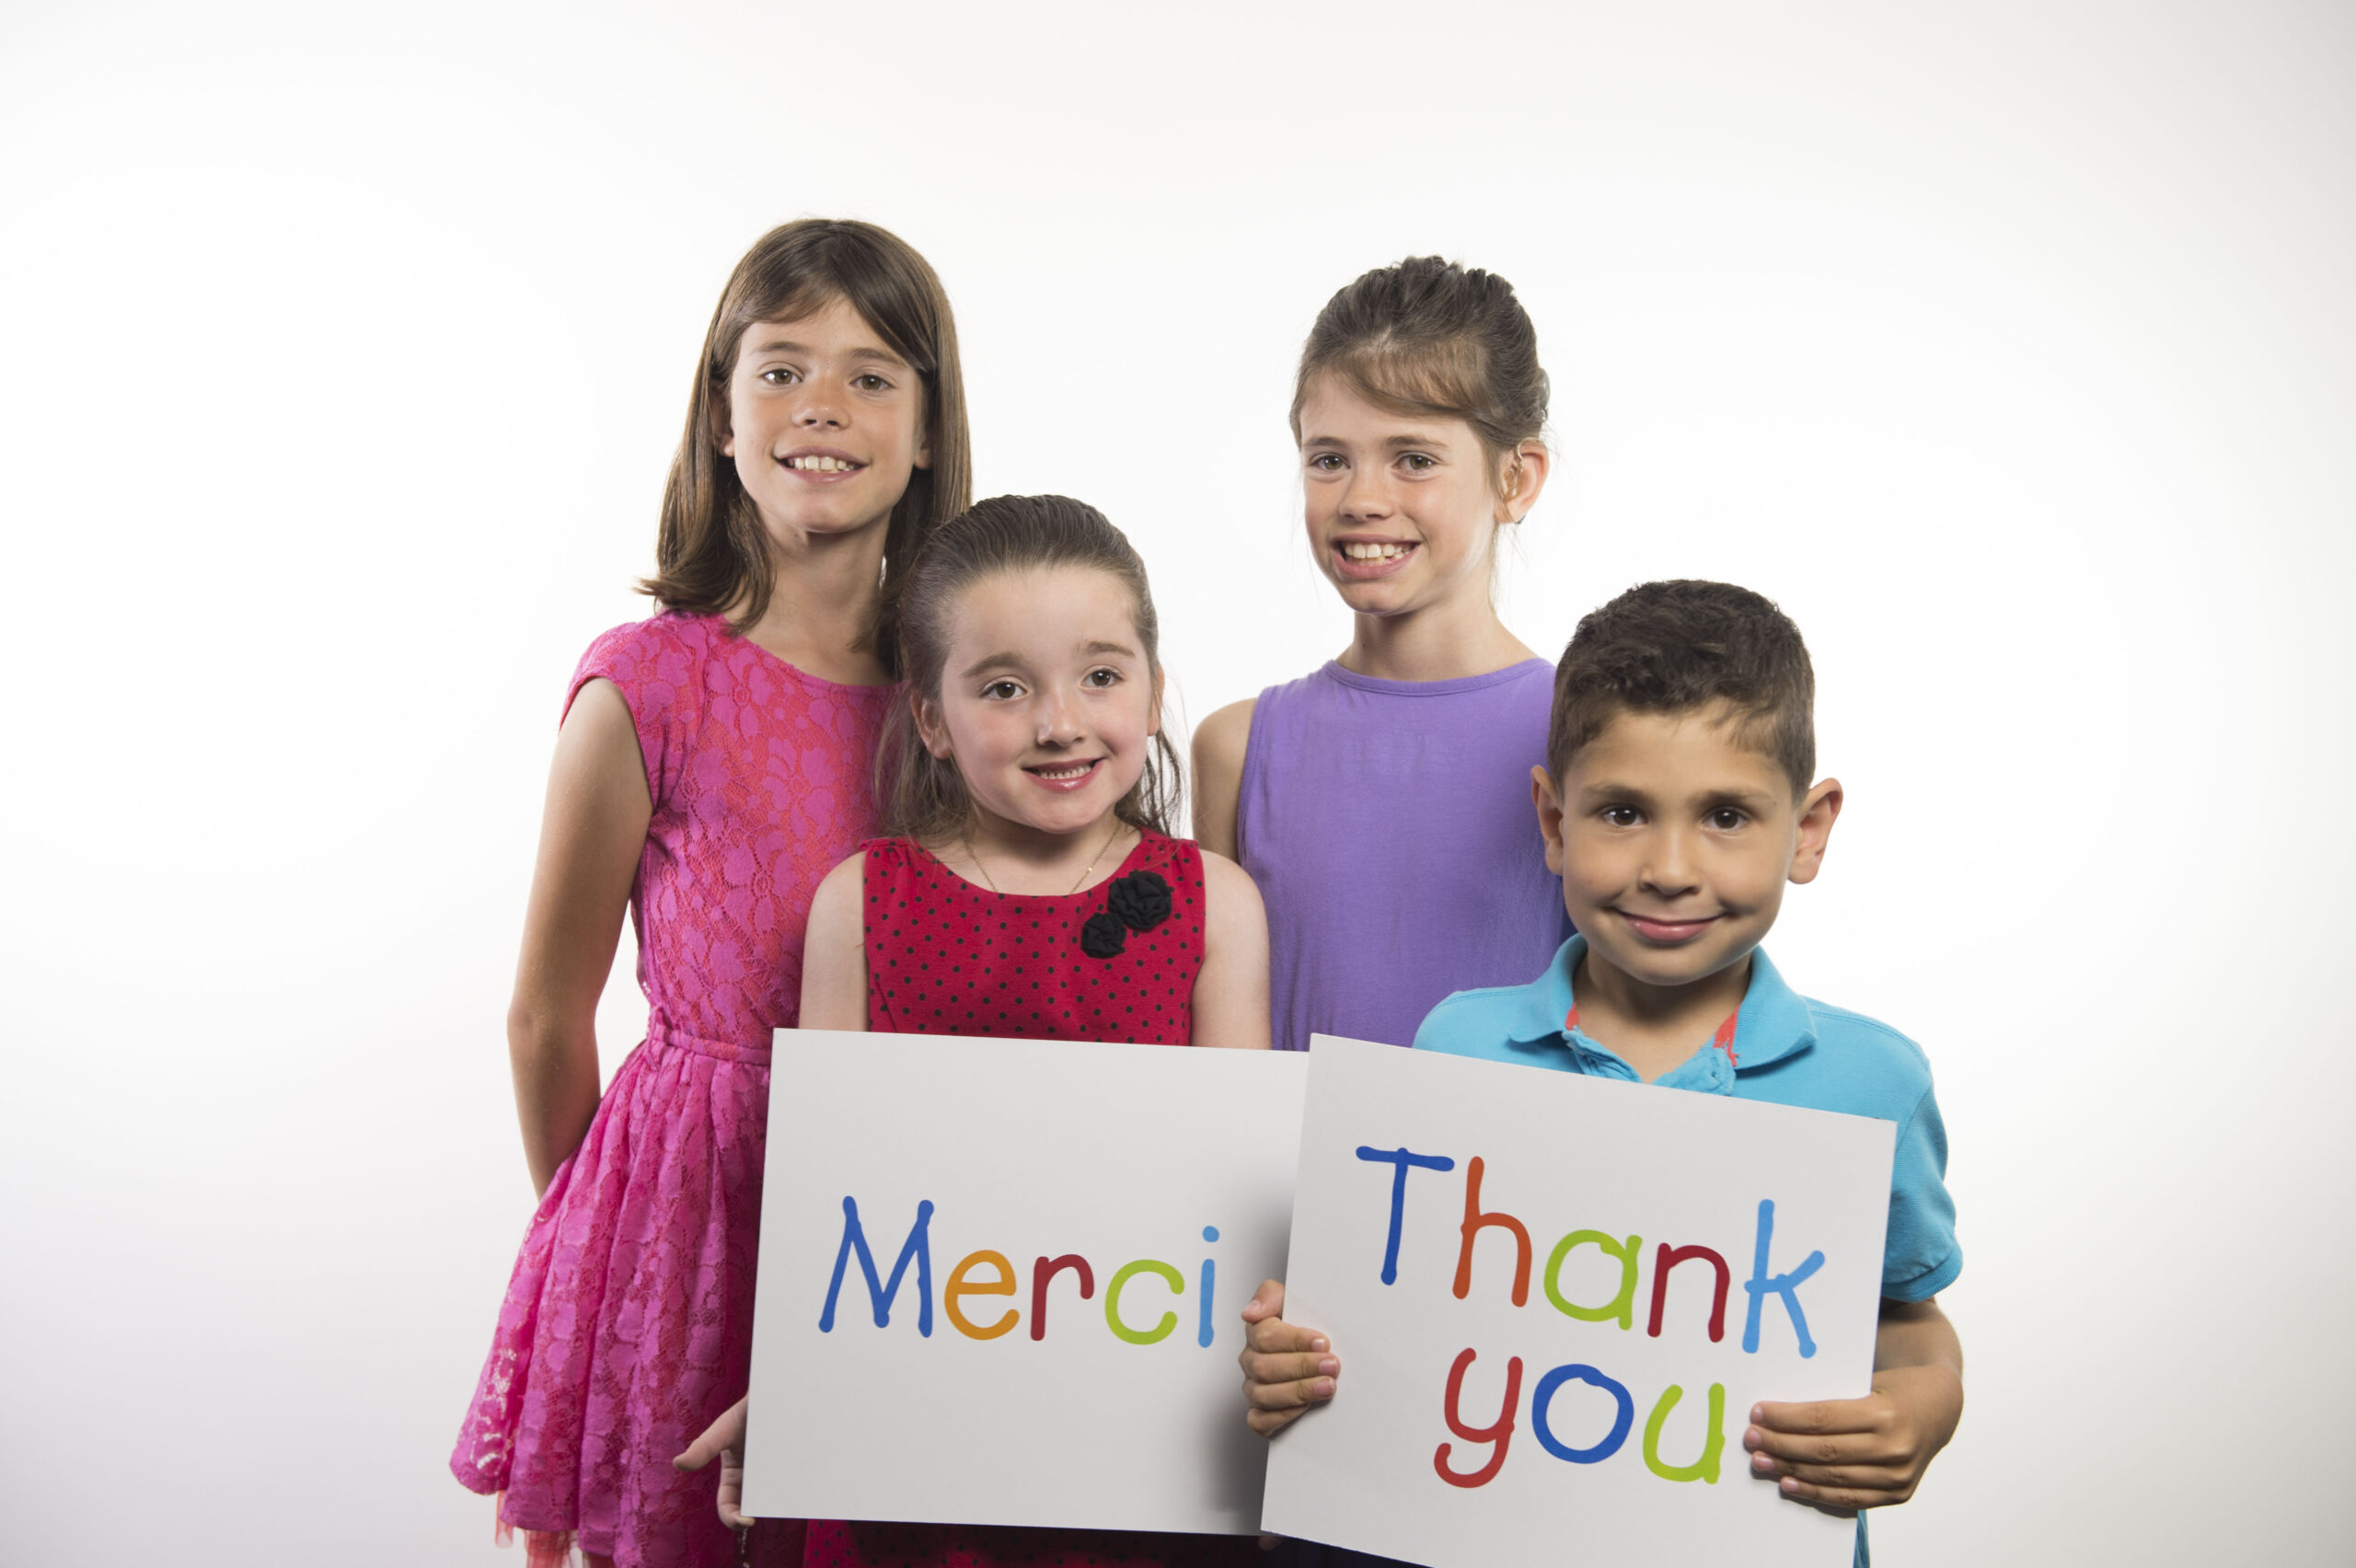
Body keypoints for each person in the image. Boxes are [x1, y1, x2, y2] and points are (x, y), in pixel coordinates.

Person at [1239, 582, 1964, 1568]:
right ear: (1551, 818)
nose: (1669, 866)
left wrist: (1922, 1407)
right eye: (1621, 812)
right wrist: (1302, 1357)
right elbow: (1383, 1328)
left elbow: (1909, 1328)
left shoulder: (1871, 1081)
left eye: (1725, 816)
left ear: (1808, 828)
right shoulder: (1457, 1049)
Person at [450, 218, 974, 1568]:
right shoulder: (649, 682)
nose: (822, 406)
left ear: (925, 432)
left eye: (872, 376)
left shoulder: (966, 706)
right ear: (722, 418)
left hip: (895, 1219)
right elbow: (541, 1020)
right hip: (681, 1227)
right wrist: (607, 1265)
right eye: (781, 368)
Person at [681, 493, 1273, 1568]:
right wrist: (796, 1390)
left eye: (1102, 675)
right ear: (930, 718)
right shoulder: (862, 903)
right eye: (1005, 687)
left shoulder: (1214, 903)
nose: (1060, 721)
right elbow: (834, 1203)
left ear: (1151, 687)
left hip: (1144, 1456)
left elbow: (1237, 1210)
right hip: (926, 1452)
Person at [1192, 255, 1567, 1054]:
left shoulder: (1584, 733)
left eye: (1415, 459)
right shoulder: (1239, 747)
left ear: (1517, 479)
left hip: (1511, 1172)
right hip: (1287, 1175)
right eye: (1329, 459)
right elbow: (1215, 1042)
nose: (1361, 499)